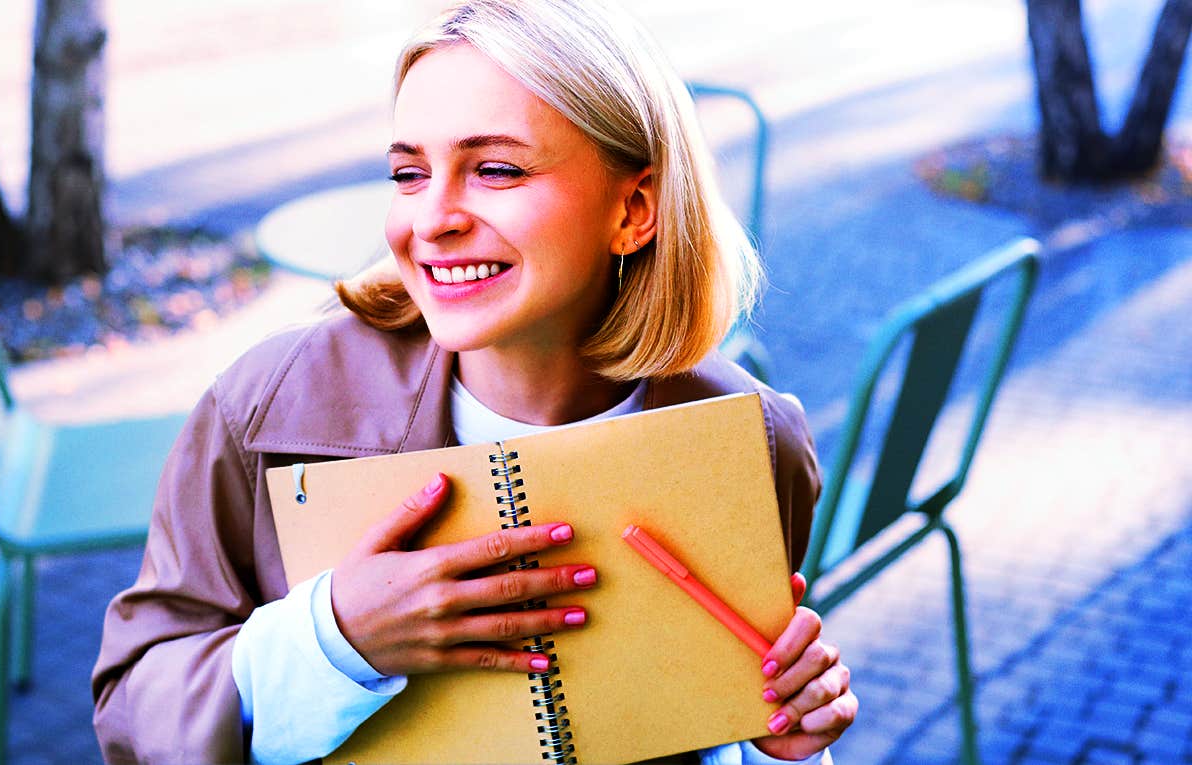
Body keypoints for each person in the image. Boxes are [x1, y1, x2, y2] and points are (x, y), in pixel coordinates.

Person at [92, 0, 857, 762]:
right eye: (408, 172)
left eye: (495, 169)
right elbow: (132, 711)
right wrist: (332, 638)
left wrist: (783, 741)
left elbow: (734, 726)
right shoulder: (267, 407)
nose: (431, 218)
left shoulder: (749, 439)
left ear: (634, 208)